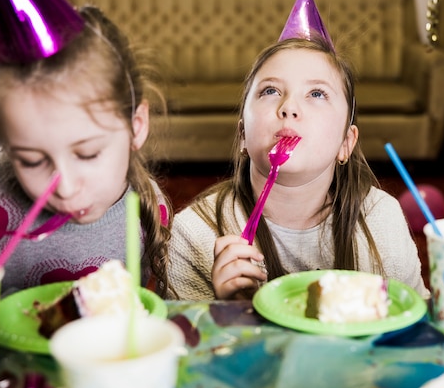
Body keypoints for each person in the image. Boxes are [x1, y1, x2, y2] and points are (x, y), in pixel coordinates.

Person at [168, 34, 429, 300]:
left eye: (316, 93)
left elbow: (419, 329)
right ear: (243, 134)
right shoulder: (195, 232)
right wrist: (230, 312)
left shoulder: (380, 219)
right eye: (270, 91)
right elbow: (187, 339)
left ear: (346, 143)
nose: (289, 107)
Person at [0, 3, 173, 298]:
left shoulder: (148, 208)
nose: (66, 189)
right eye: (31, 161)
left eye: (88, 154)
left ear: (137, 126)